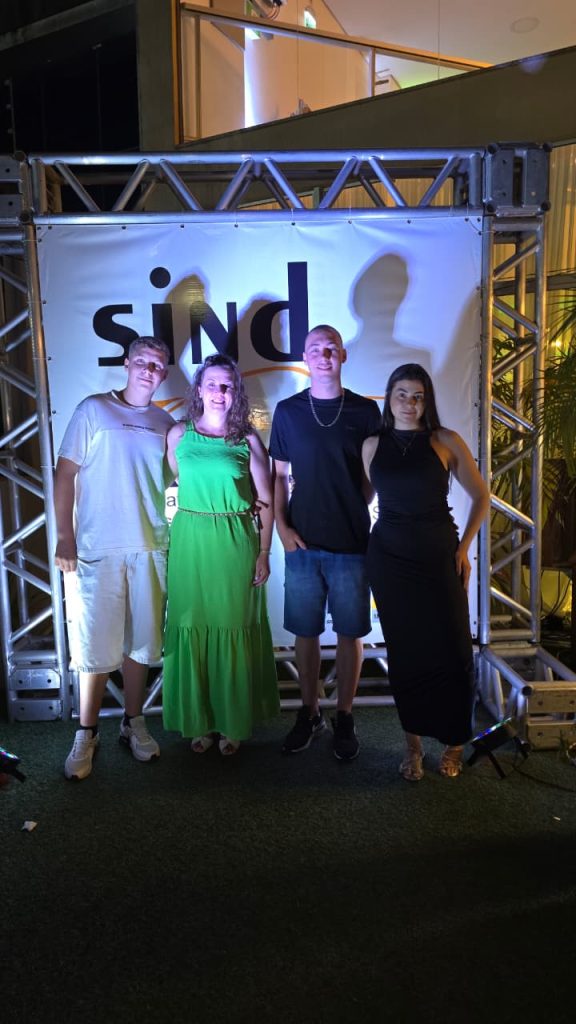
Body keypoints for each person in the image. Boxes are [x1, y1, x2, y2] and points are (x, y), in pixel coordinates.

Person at [362, 363, 490, 781]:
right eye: (402, 394)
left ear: (427, 401)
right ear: (389, 397)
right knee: (406, 655)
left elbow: (481, 497)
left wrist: (464, 548)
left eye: (418, 396)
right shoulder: (371, 445)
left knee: (454, 651)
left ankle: (454, 744)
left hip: (438, 556)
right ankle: (412, 747)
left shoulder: (445, 440)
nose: (409, 403)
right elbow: (365, 497)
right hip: (389, 560)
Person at [54, 336, 173, 780]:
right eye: (142, 361)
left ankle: (133, 722)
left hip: (150, 546)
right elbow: (65, 473)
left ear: (164, 372)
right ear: (126, 364)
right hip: (97, 547)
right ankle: (86, 731)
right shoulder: (94, 409)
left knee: (141, 644)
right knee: (95, 644)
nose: (148, 370)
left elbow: (178, 483)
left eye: (156, 364)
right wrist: (64, 536)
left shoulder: (166, 423)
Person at [270, 325, 381, 760]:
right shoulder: (288, 411)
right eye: (315, 348)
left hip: (352, 543)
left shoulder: (365, 411)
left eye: (331, 347)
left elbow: (372, 477)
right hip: (301, 544)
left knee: (350, 633)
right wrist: (282, 529)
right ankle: (310, 711)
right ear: (305, 357)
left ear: (343, 355)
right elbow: (279, 475)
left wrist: (352, 503)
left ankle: (345, 716)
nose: (324, 354)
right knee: (306, 633)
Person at [162, 354, 279, 756]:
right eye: (212, 384)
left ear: (236, 393)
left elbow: (266, 500)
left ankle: (231, 721)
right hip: (190, 541)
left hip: (234, 541)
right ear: (199, 389)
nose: (219, 392)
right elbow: (175, 480)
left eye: (227, 385)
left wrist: (264, 552)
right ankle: (200, 721)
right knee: (191, 623)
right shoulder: (178, 434)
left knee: (232, 626)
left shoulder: (248, 441)